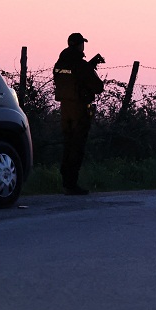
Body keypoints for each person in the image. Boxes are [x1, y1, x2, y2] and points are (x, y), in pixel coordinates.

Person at [53, 32, 105, 195]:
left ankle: (66, 181)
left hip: (65, 108)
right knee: (77, 146)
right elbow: (98, 86)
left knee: (68, 145)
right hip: (79, 109)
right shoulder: (80, 65)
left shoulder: (60, 63)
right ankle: (72, 184)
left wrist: (88, 66)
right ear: (79, 45)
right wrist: (90, 69)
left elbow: (72, 78)